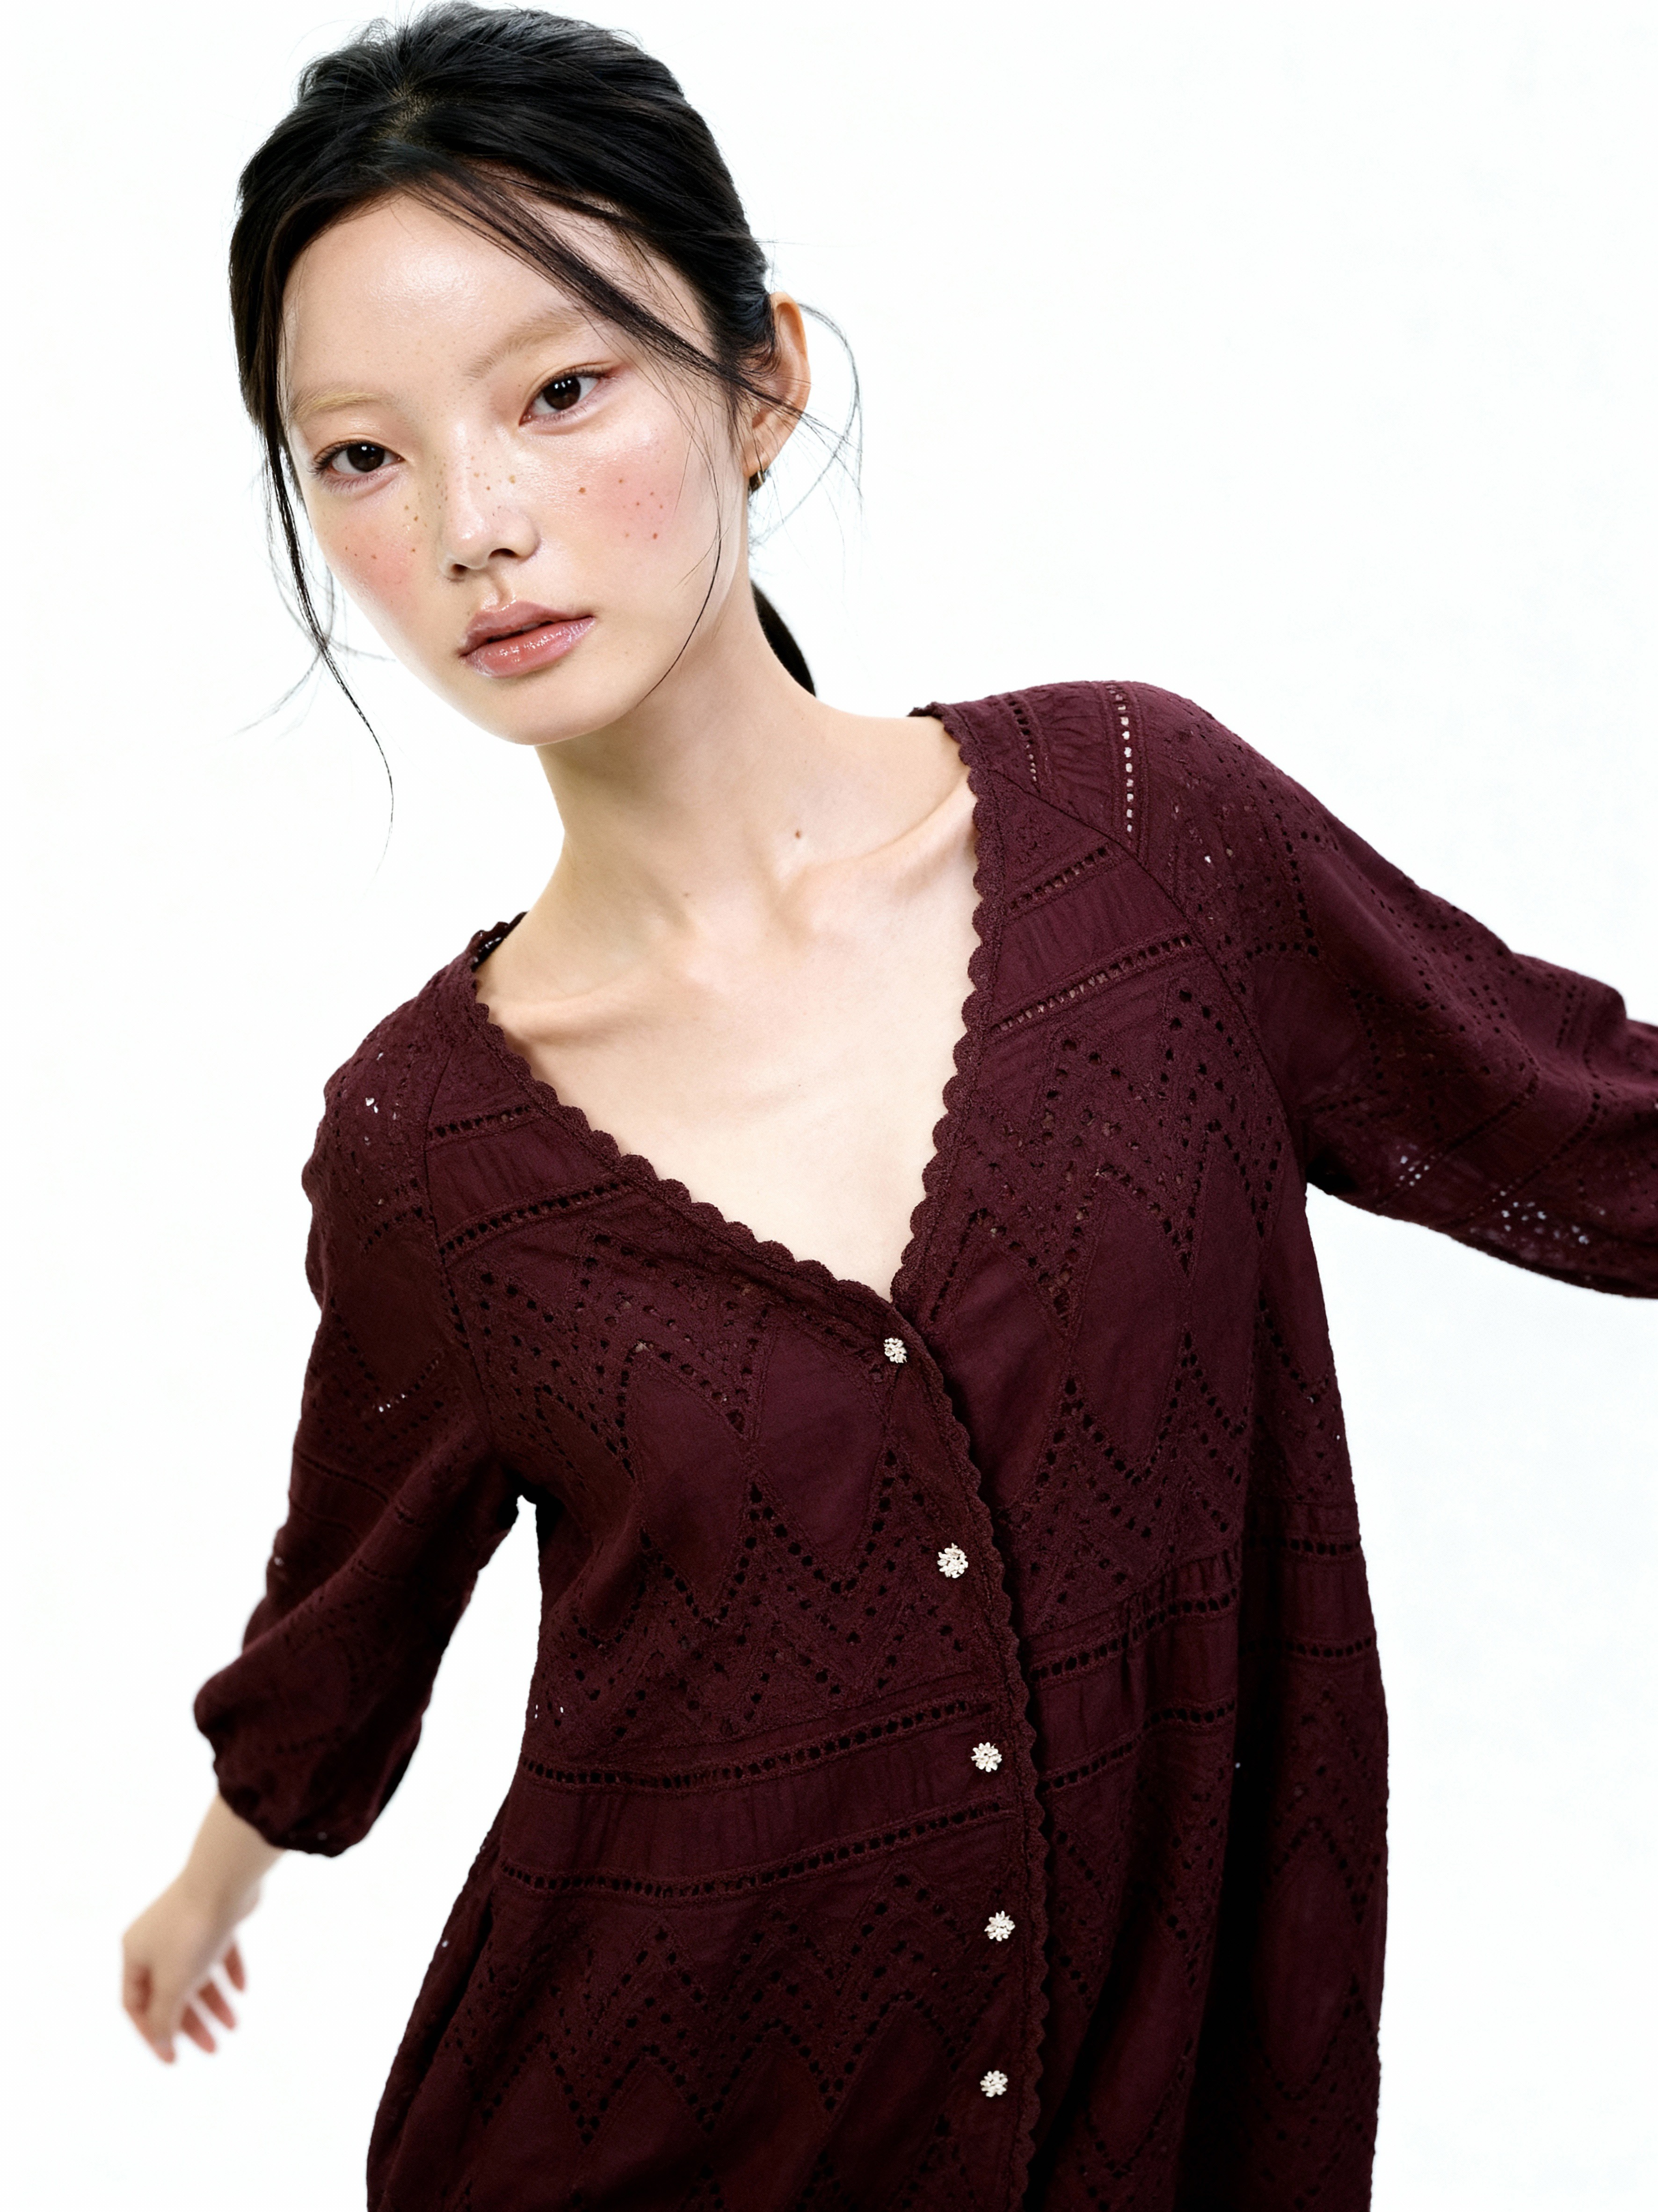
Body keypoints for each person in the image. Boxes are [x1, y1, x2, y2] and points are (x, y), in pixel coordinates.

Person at [118, 7, 1657, 2207]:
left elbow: (1588, 1129)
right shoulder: (428, 1150)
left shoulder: (1145, 844)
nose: (476, 526)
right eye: (360, 456)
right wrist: (210, 1887)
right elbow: (350, 1605)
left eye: (559, 393)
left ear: (761, 381)